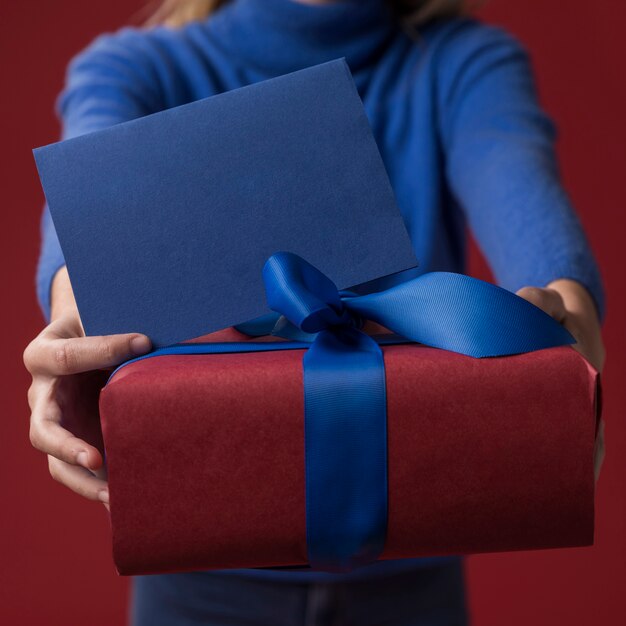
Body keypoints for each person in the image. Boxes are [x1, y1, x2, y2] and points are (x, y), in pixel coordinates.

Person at [23, 0, 607, 624]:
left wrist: (567, 316)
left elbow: (513, 174)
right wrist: (74, 319)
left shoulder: (459, 62)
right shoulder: (135, 67)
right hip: (196, 579)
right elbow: (89, 228)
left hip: (414, 577)